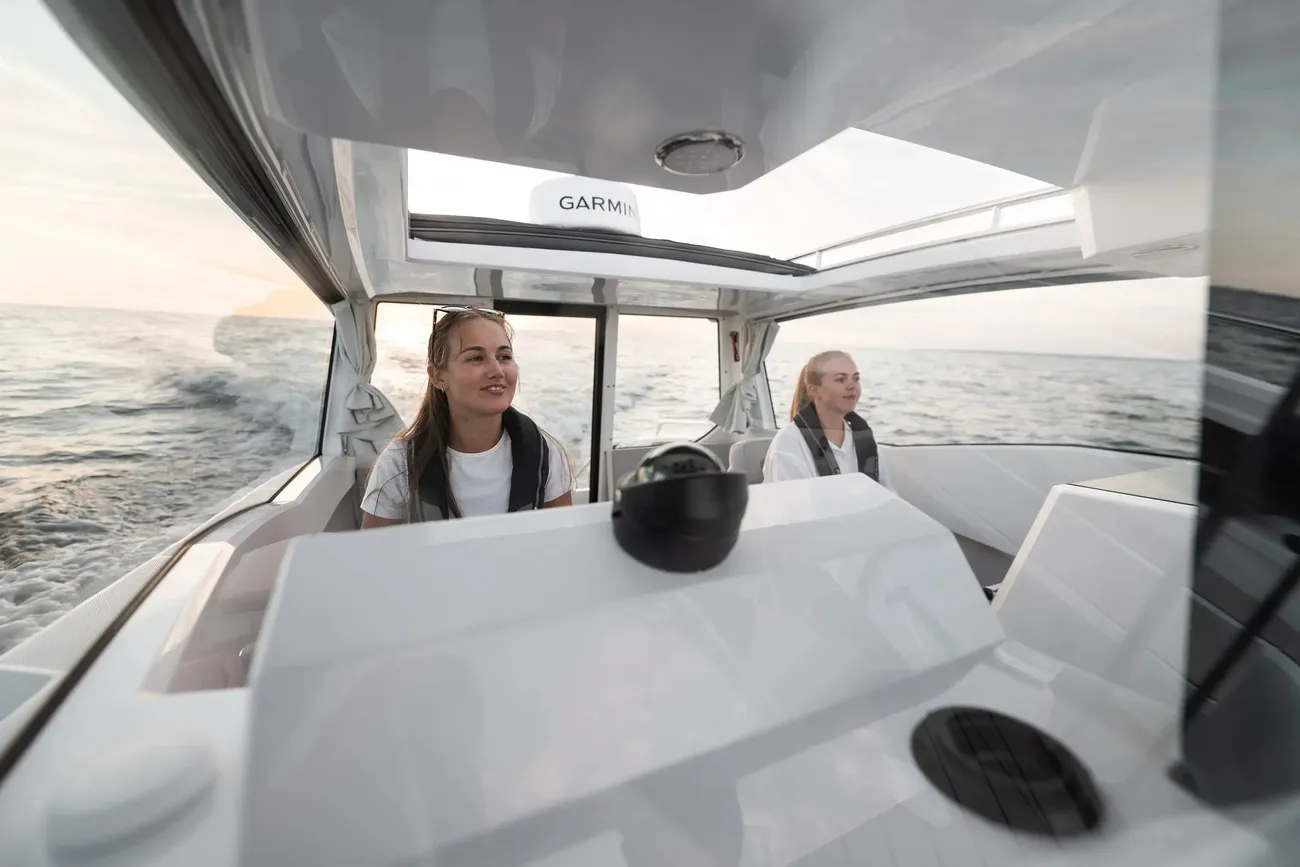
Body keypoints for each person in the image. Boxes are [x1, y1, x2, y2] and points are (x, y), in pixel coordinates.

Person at [360, 306, 573, 527]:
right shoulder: (399, 462)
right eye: (476, 358)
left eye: (504, 356)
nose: (497, 370)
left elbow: (563, 543)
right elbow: (375, 548)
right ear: (438, 377)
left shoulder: (546, 453)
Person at [762, 350, 886, 485]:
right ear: (813, 390)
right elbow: (793, 498)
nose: (852, 386)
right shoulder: (788, 444)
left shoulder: (864, 438)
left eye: (856, 379)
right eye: (840, 379)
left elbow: (886, 492)